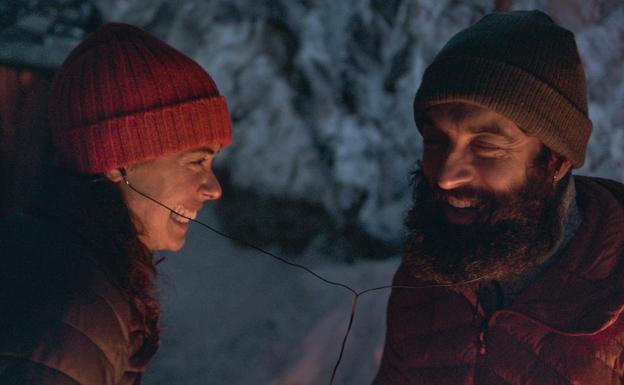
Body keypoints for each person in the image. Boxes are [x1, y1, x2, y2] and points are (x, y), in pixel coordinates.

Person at [373, 10, 624, 385]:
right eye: (435, 140)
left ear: (556, 161)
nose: (444, 175)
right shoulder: (425, 274)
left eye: (487, 146)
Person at [0, 23, 231, 384]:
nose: (213, 189)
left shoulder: (61, 265)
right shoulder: (70, 311)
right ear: (116, 162)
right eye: (196, 161)